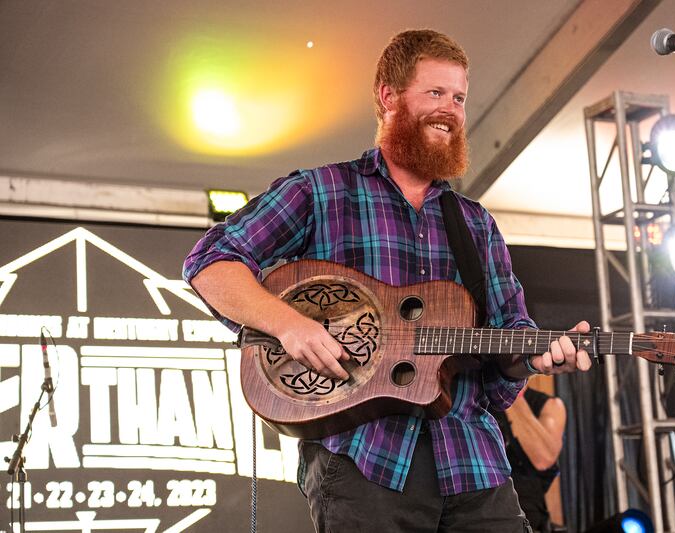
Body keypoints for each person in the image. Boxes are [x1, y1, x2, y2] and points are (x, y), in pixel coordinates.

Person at [183, 29, 592, 532]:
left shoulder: (475, 223)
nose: (451, 110)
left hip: (474, 463)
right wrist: (290, 325)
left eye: (460, 98)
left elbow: (509, 334)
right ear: (388, 96)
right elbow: (210, 260)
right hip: (365, 462)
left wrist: (537, 353)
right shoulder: (322, 190)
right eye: (435, 93)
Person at [492, 378, 568, 533]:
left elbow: (543, 459)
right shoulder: (474, 396)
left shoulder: (549, 405)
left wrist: (511, 394)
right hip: (474, 503)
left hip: (521, 509)